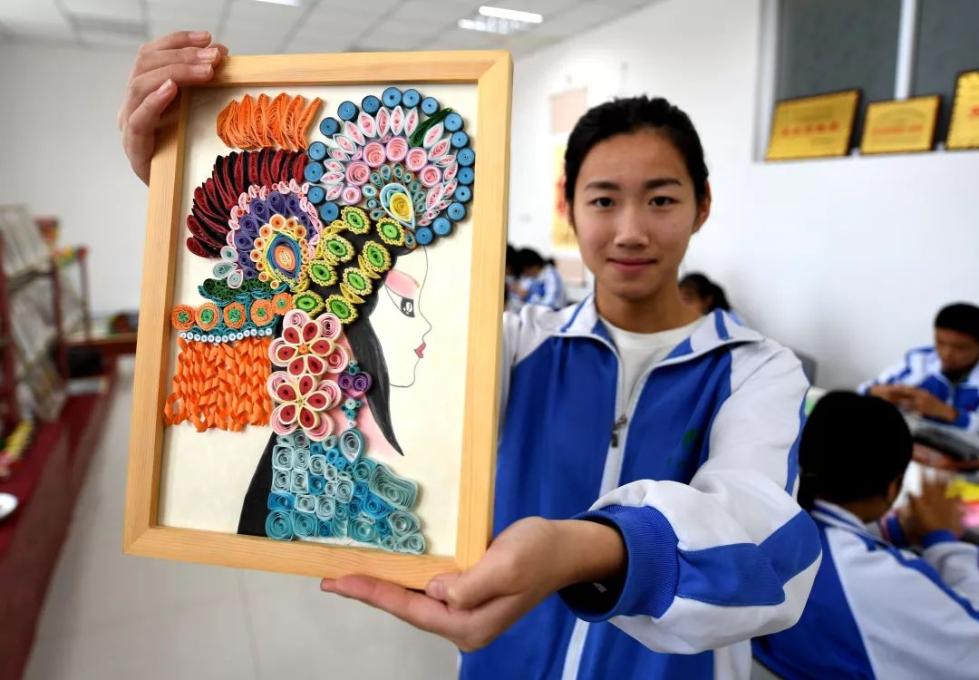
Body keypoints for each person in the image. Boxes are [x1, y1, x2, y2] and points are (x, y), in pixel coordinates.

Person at [123, 35, 819, 679]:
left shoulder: (753, 370)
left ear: (702, 205)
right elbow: (327, 324)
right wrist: (184, 174)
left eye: (661, 199)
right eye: (604, 200)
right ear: (569, 209)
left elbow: (762, 550)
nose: (631, 231)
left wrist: (580, 551)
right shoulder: (514, 345)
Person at [752, 391, 979, 679]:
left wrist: (893, 531)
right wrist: (943, 540)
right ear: (893, 487)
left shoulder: (767, 519)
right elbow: (971, 645)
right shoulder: (872, 577)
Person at [860, 303, 979, 433]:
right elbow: (864, 388)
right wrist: (876, 392)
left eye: (960, 348)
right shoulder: (919, 359)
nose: (946, 354)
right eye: (940, 342)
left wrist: (944, 411)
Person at [678, 271, 745, 324]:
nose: (682, 307)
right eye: (679, 302)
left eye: (688, 301)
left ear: (708, 300)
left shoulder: (729, 323)